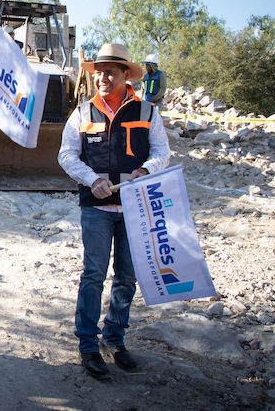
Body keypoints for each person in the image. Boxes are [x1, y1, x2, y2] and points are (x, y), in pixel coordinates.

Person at [57, 42, 170, 380]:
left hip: (135, 207)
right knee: (93, 274)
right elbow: (66, 155)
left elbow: (162, 152)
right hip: (96, 208)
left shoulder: (147, 112)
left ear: (125, 76)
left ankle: (115, 339)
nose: (102, 77)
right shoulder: (82, 113)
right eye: (99, 71)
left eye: (110, 71)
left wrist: (146, 171)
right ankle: (88, 345)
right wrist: (92, 180)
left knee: (127, 276)